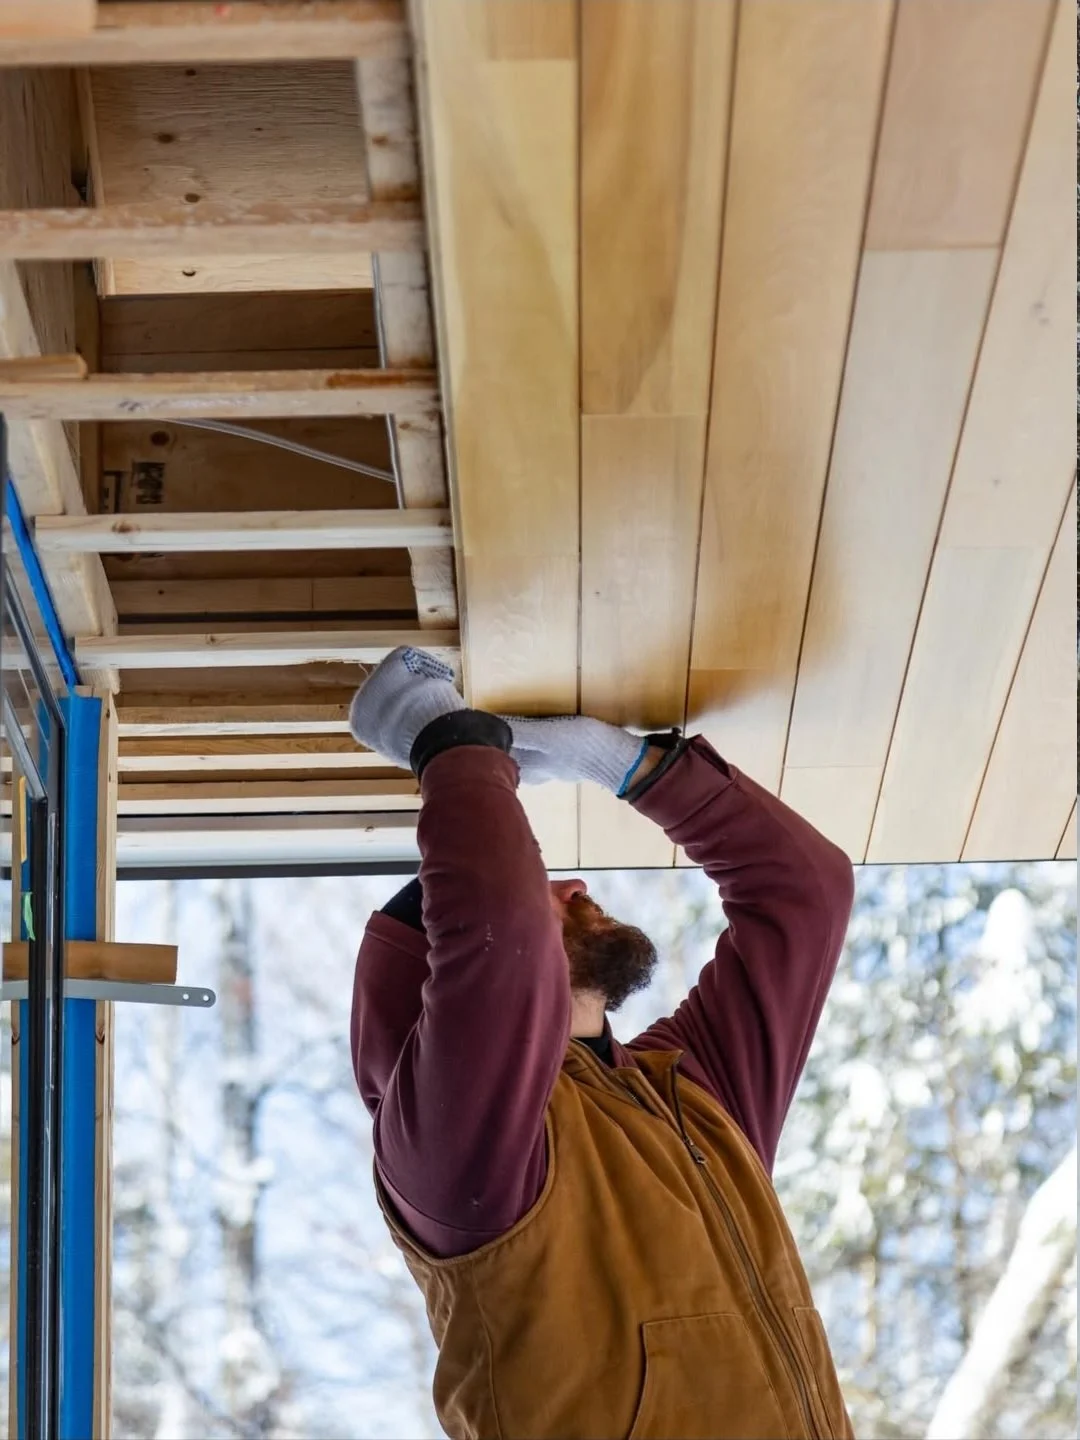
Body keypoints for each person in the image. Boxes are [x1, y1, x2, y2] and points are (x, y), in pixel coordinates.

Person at [348, 647, 856, 1440]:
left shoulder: (684, 1095)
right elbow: (498, 931)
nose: (575, 885)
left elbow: (806, 889)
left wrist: (625, 764)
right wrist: (447, 741)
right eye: (543, 886)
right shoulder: (460, 1161)